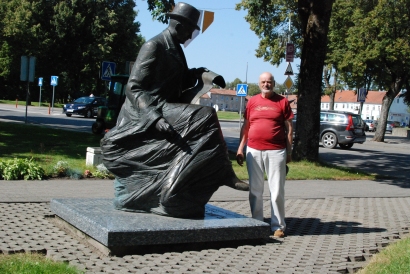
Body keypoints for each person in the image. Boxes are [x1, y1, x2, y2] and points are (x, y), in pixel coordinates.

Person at [100, 2, 248, 219]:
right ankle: (223, 172)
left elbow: (176, 78)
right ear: (180, 25)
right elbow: (134, 86)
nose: (190, 35)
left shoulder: (175, 47)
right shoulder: (154, 45)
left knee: (202, 122)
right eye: (190, 30)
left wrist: (202, 74)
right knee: (205, 115)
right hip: (148, 111)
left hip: (166, 106)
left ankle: (206, 177)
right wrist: (154, 117)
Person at [236, 72, 294, 238]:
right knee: (255, 189)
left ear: (274, 83)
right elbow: (246, 126)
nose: (266, 84)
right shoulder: (252, 102)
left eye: (269, 82)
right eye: (263, 81)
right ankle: (257, 223)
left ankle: (278, 226)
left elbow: (289, 129)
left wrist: (289, 150)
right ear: (259, 83)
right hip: (253, 150)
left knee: (276, 191)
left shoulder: (282, 102)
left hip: (276, 151)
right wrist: (241, 148)